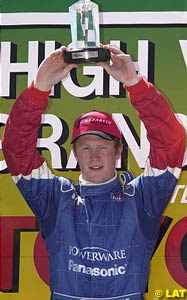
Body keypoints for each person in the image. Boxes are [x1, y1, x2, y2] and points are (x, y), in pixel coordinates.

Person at [2, 45, 185, 300]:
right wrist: (38, 89)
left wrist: (135, 84)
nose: (95, 156)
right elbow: (16, 151)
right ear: (75, 153)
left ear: (118, 150)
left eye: (103, 147)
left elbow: (170, 143)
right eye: (86, 147)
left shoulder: (143, 200)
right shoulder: (56, 199)